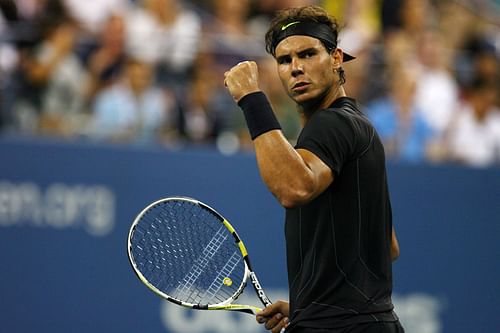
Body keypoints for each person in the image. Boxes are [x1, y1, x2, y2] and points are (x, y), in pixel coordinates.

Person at [224, 5, 403, 333]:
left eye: (307, 54)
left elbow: (293, 188)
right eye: (285, 60)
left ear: (336, 58)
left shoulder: (332, 123)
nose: (295, 68)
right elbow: (386, 246)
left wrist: (251, 99)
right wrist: (313, 304)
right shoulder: (358, 126)